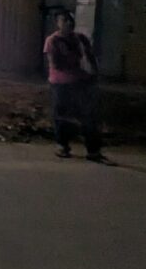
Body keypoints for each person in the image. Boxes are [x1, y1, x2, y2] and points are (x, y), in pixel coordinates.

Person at [44, 10, 109, 162]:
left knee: (89, 117)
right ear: (58, 23)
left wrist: (93, 74)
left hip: (81, 82)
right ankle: (63, 145)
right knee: (62, 116)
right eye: (64, 20)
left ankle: (93, 150)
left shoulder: (80, 39)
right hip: (61, 83)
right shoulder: (53, 40)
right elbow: (55, 63)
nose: (68, 23)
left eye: (70, 20)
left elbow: (91, 57)